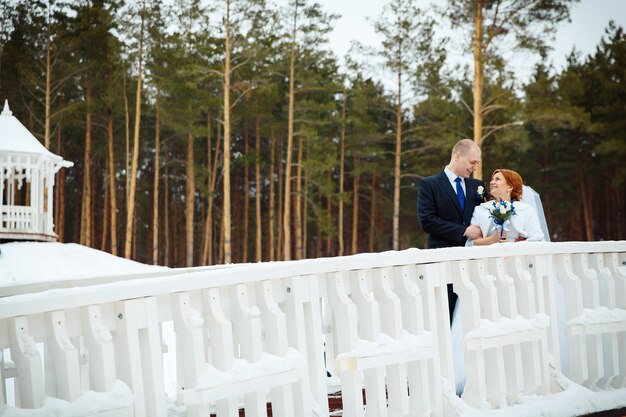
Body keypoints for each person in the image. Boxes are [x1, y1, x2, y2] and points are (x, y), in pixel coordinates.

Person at [418, 139, 485, 320]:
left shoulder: (478, 186)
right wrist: (464, 231)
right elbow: (427, 221)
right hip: (442, 260)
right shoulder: (429, 185)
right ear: (457, 156)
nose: (475, 167)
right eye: (473, 162)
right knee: (444, 314)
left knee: (473, 314)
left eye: (477, 163)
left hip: (473, 262)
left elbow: (488, 216)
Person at [465, 169, 545, 246]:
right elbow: (470, 243)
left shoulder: (526, 210)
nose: (491, 182)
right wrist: (493, 239)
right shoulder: (480, 210)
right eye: (492, 179)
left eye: (497, 179)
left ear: (510, 187)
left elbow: (537, 239)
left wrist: (513, 245)